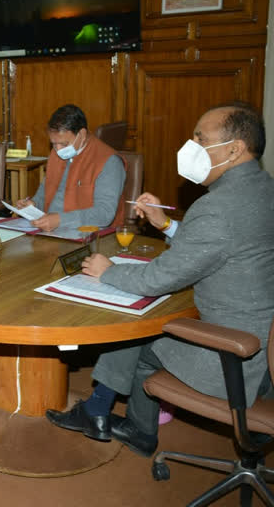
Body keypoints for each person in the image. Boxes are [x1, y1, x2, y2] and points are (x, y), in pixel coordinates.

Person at [46, 103, 274, 457]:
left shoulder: (218, 206)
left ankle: (98, 412)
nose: (191, 146)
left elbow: (159, 277)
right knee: (146, 326)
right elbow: (218, 247)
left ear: (234, 149)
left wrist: (109, 271)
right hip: (260, 334)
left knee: (132, 334)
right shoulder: (262, 188)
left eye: (201, 139)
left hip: (234, 354)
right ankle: (133, 427)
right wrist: (165, 224)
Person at [14, 104, 126, 231]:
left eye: (64, 144)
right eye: (54, 144)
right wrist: (33, 205)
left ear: (82, 134)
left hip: (89, 235)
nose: (58, 149)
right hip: (50, 231)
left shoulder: (109, 161)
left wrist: (60, 220)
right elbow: (44, 192)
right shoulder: (56, 154)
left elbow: (104, 214)